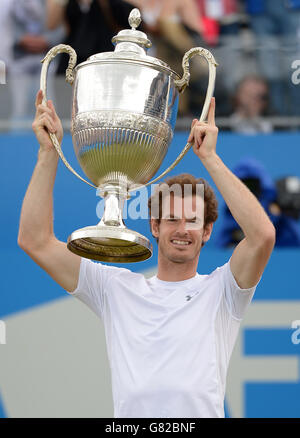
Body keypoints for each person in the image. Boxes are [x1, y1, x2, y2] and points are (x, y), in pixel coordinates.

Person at [18, 91, 275, 418]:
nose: (182, 229)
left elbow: (263, 236)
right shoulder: (115, 288)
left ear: (207, 231)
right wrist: (47, 153)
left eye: (193, 221)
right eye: (172, 219)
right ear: (154, 225)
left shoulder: (224, 290)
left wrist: (210, 158)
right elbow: (34, 240)